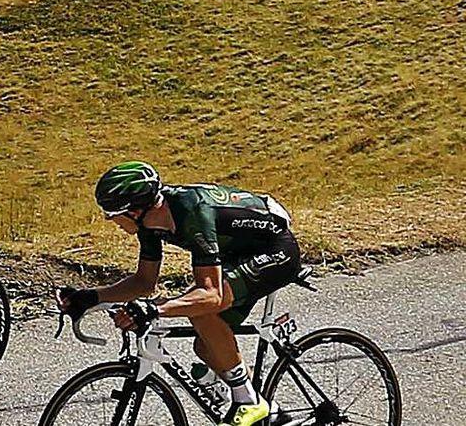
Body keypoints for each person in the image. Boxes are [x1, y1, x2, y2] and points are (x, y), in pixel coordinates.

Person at [59, 161, 300, 426]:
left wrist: (155, 309)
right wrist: (92, 297)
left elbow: (211, 295)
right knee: (207, 347)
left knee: (202, 311)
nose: (110, 221)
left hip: (275, 251)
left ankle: (249, 401)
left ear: (135, 210)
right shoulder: (150, 223)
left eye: (111, 214)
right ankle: (273, 414)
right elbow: (143, 282)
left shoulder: (193, 212)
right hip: (238, 253)